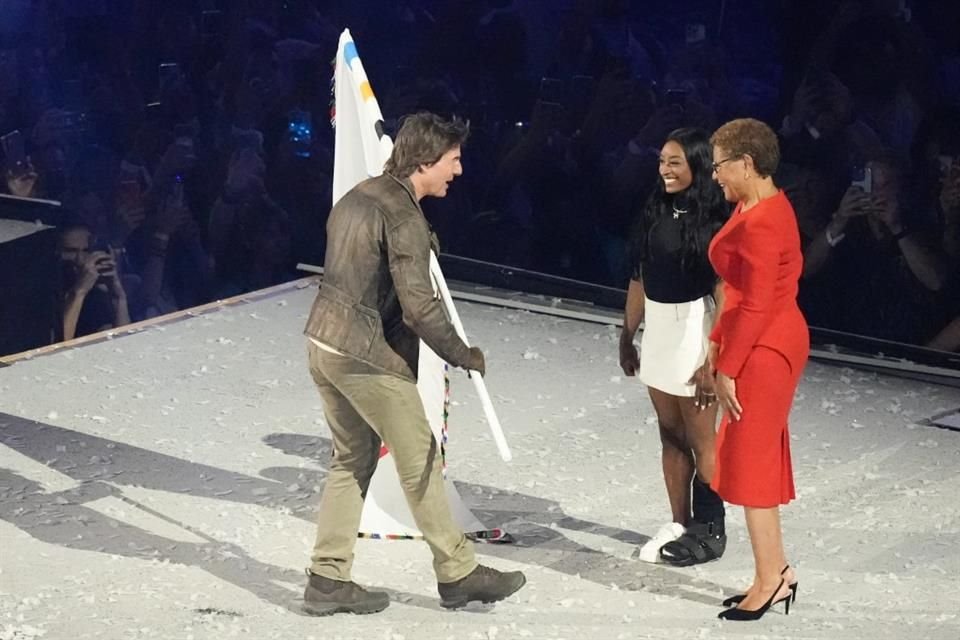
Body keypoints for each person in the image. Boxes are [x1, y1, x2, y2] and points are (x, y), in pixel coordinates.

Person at [300, 112, 526, 616]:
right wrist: (462, 355)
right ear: (425, 161)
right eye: (453, 159)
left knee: (352, 460)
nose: (459, 170)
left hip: (324, 343)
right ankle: (459, 571)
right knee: (421, 457)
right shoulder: (403, 218)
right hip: (365, 355)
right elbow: (419, 308)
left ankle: (327, 578)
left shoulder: (360, 195)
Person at [707, 118, 809, 621]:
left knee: (752, 462)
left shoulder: (766, 218)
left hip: (767, 348)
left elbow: (757, 305)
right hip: (757, 340)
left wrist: (728, 366)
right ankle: (775, 572)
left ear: (746, 164)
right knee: (752, 457)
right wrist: (716, 345)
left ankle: (772, 578)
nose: (715, 176)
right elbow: (740, 293)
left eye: (720, 166)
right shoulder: (754, 204)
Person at [618, 127, 729, 566]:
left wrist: (712, 359)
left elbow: (724, 294)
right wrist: (627, 334)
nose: (664, 168)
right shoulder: (652, 212)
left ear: (697, 165)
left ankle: (711, 525)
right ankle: (679, 521)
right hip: (660, 329)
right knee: (670, 434)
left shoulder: (715, 222)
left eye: (675, 161)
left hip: (694, 329)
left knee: (702, 439)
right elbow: (639, 278)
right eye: (662, 160)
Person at [59, 222, 131, 341]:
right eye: (70, 251)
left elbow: (124, 344)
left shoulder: (94, 297)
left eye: (86, 251)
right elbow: (57, 347)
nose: (79, 260)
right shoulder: (41, 294)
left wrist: (118, 297)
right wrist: (79, 292)